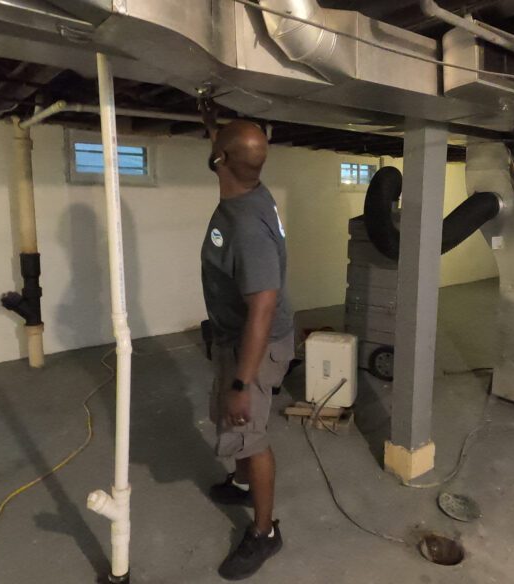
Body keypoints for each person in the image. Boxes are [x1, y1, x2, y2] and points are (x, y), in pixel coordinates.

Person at [199, 99, 294, 580]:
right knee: (232, 420)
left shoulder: (246, 227)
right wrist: (211, 119)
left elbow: (263, 306)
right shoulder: (250, 191)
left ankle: (264, 533)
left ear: (220, 159)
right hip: (236, 335)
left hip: (255, 344)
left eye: (216, 146)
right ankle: (239, 484)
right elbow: (233, 148)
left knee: (249, 430)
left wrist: (243, 380)